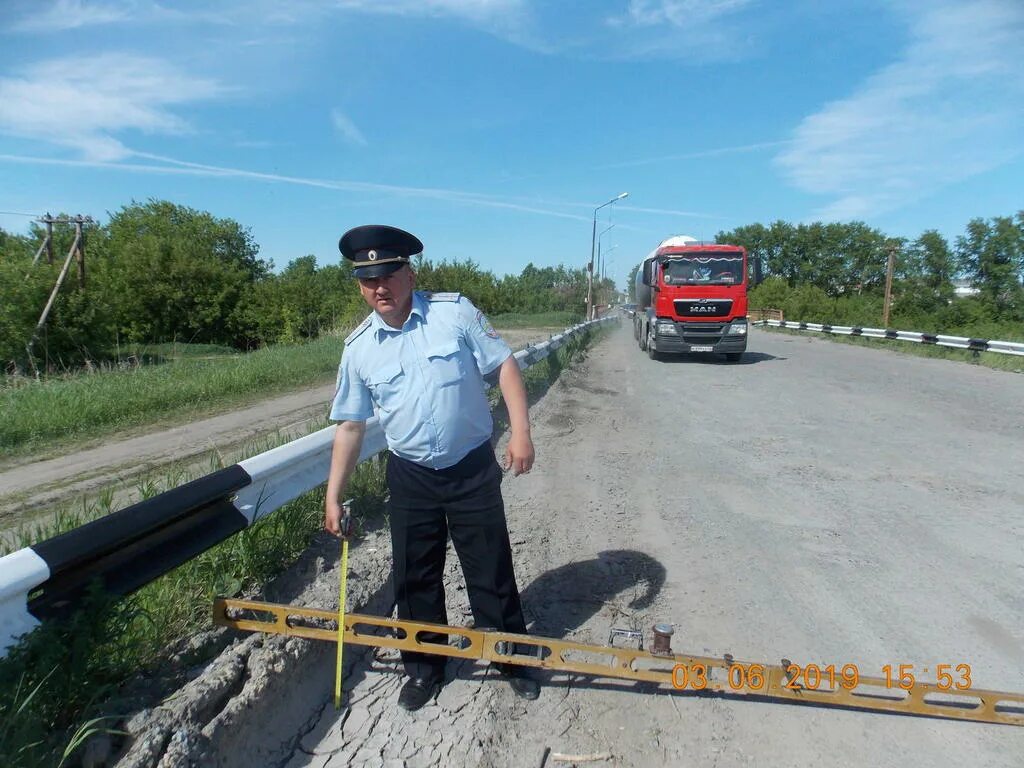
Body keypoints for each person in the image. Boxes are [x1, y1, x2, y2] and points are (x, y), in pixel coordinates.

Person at [324, 224, 540, 712]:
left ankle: (512, 658)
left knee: (490, 566)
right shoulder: (358, 349)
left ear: (409, 273)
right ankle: (424, 668)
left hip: (470, 468)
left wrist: (521, 432)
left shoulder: (454, 314)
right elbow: (350, 427)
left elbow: (503, 364)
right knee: (414, 577)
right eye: (367, 279)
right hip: (411, 476)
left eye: (388, 275)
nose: (379, 288)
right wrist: (333, 493)